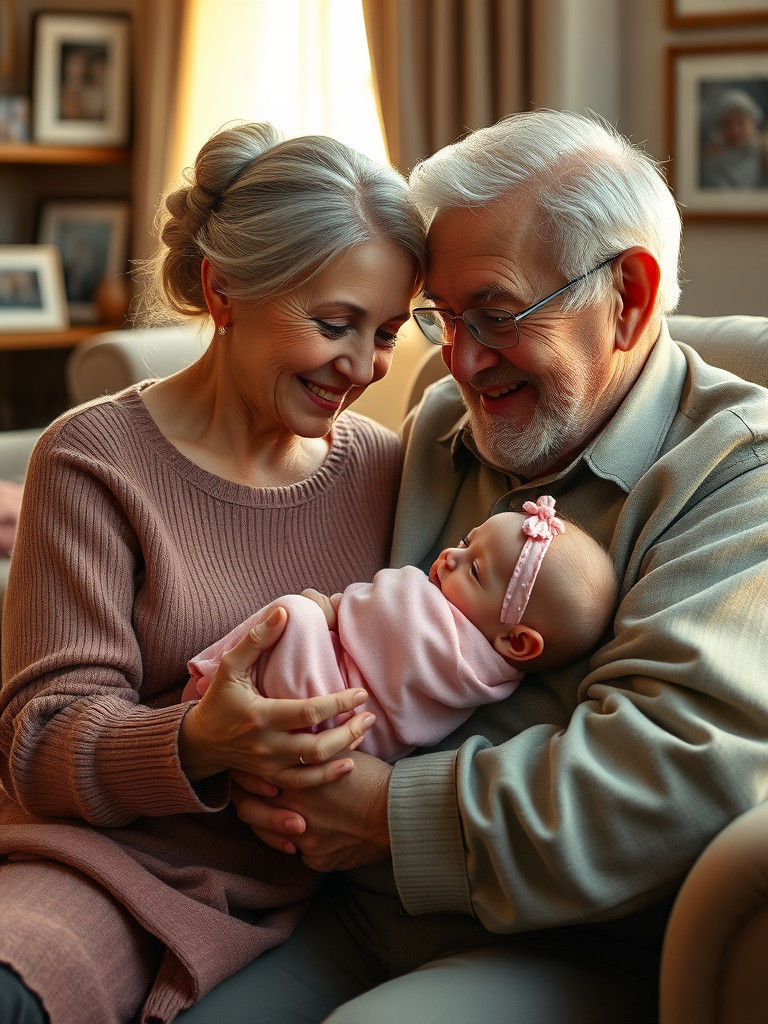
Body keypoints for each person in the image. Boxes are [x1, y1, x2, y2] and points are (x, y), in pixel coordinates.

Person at [212, 110, 768, 1024]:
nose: (460, 362)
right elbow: (304, 537)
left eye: (498, 316)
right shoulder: (443, 421)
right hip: (338, 902)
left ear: (628, 296)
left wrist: (388, 814)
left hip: (554, 943)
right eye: (442, 317)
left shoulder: (734, 474)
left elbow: (670, 778)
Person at [0, 122, 426, 1023]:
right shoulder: (92, 460)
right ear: (221, 288)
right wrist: (199, 743)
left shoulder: (391, 471)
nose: (362, 367)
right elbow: (38, 743)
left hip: (316, 884)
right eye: (334, 323)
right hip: (104, 865)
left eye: (387, 332)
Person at [183, 497, 618, 762]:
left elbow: (388, 607)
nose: (450, 557)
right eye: (466, 543)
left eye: (476, 571)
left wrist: (332, 608)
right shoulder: (489, 677)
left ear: (517, 641)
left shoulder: (440, 631)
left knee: (294, 614)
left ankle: (208, 678)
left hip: (330, 705)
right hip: (361, 745)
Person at [700, 87, 768, 190]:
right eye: (728, 124)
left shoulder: (762, 151)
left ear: (753, 124)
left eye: (741, 122)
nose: (735, 130)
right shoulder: (712, 157)